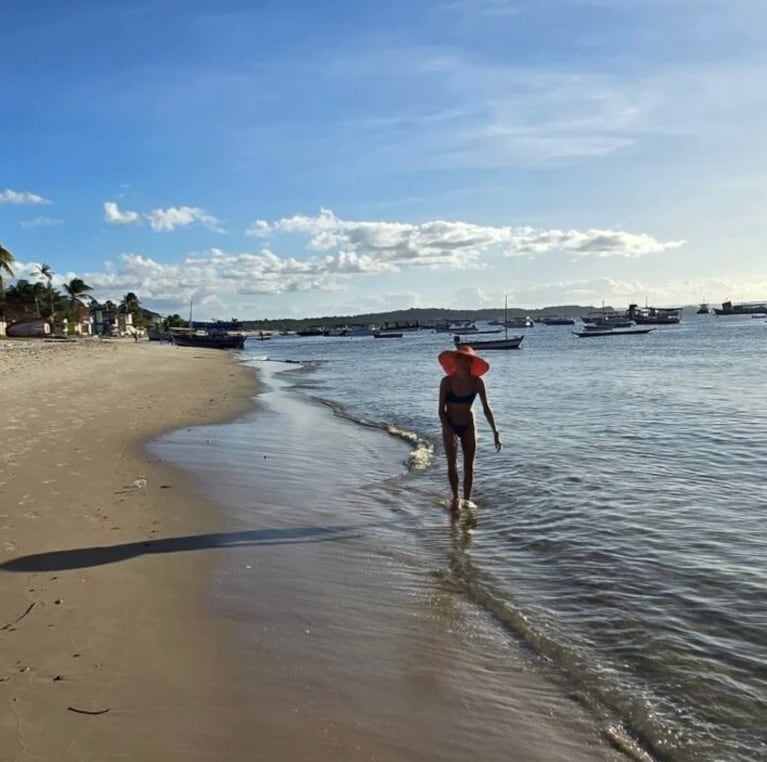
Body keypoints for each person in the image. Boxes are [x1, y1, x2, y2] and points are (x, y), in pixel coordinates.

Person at [438, 344, 502, 505]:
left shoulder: (477, 382)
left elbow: (486, 408)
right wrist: (447, 427)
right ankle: (455, 498)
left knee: (469, 466)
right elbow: (440, 410)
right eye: (460, 359)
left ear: (470, 363)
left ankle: (466, 501)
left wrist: (495, 431)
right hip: (450, 424)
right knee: (452, 464)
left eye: (467, 360)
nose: (463, 362)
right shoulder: (446, 382)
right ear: (455, 361)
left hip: (468, 425)